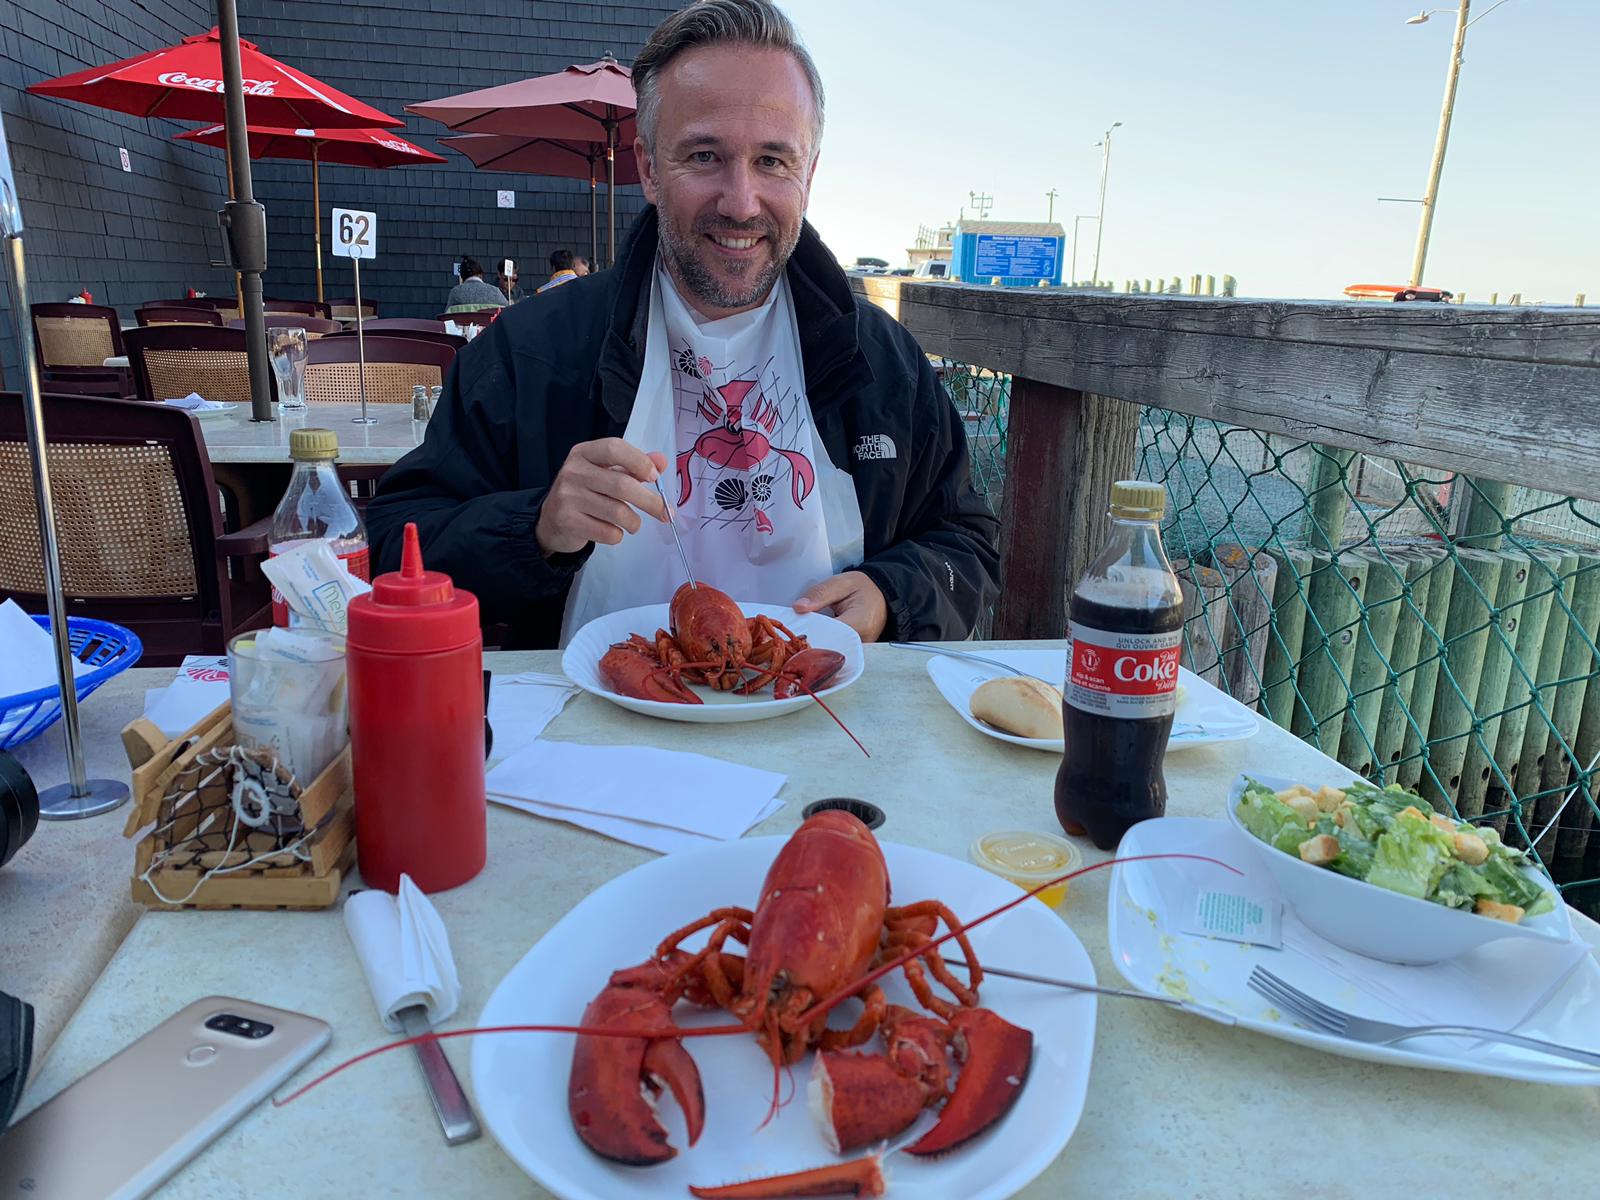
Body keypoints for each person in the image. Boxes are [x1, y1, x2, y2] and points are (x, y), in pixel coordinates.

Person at [367, 0, 998, 649]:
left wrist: (891, 594)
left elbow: (968, 545)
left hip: (821, 700)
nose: (741, 202)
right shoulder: (528, 349)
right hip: (592, 706)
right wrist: (534, 527)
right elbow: (394, 544)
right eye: (703, 155)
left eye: (773, 161)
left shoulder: (885, 360)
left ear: (808, 174)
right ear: (648, 168)